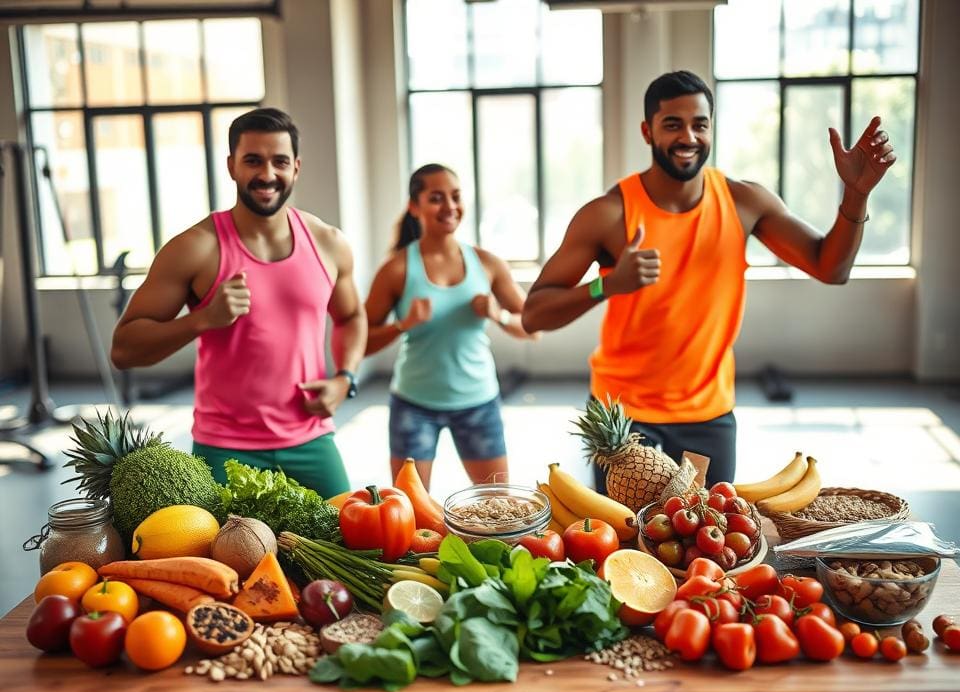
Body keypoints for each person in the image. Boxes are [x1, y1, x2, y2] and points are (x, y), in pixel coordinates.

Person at [521, 70, 896, 489]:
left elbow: (831, 268)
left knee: (704, 526)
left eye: (699, 124)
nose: (688, 137)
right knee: (627, 529)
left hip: (706, 414)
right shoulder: (608, 213)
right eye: (672, 124)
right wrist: (606, 285)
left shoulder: (743, 202)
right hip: (622, 415)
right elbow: (533, 315)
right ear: (647, 131)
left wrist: (856, 194)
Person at [111, 107, 365, 498]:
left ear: (296, 167)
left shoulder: (328, 243)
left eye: (280, 161)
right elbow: (124, 349)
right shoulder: (196, 248)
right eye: (253, 161)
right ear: (232, 166)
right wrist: (201, 319)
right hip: (225, 447)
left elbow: (351, 316)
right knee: (222, 542)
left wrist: (345, 378)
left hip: (311, 438)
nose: (267, 174)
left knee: (349, 531)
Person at [364, 163, 539, 491]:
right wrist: (403, 324)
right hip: (414, 404)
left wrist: (499, 315)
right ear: (414, 206)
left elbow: (533, 327)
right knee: (410, 509)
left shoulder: (487, 263)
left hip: (478, 403)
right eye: (436, 198)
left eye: (456, 196)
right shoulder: (396, 270)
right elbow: (360, 343)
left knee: (497, 502)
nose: (450, 206)